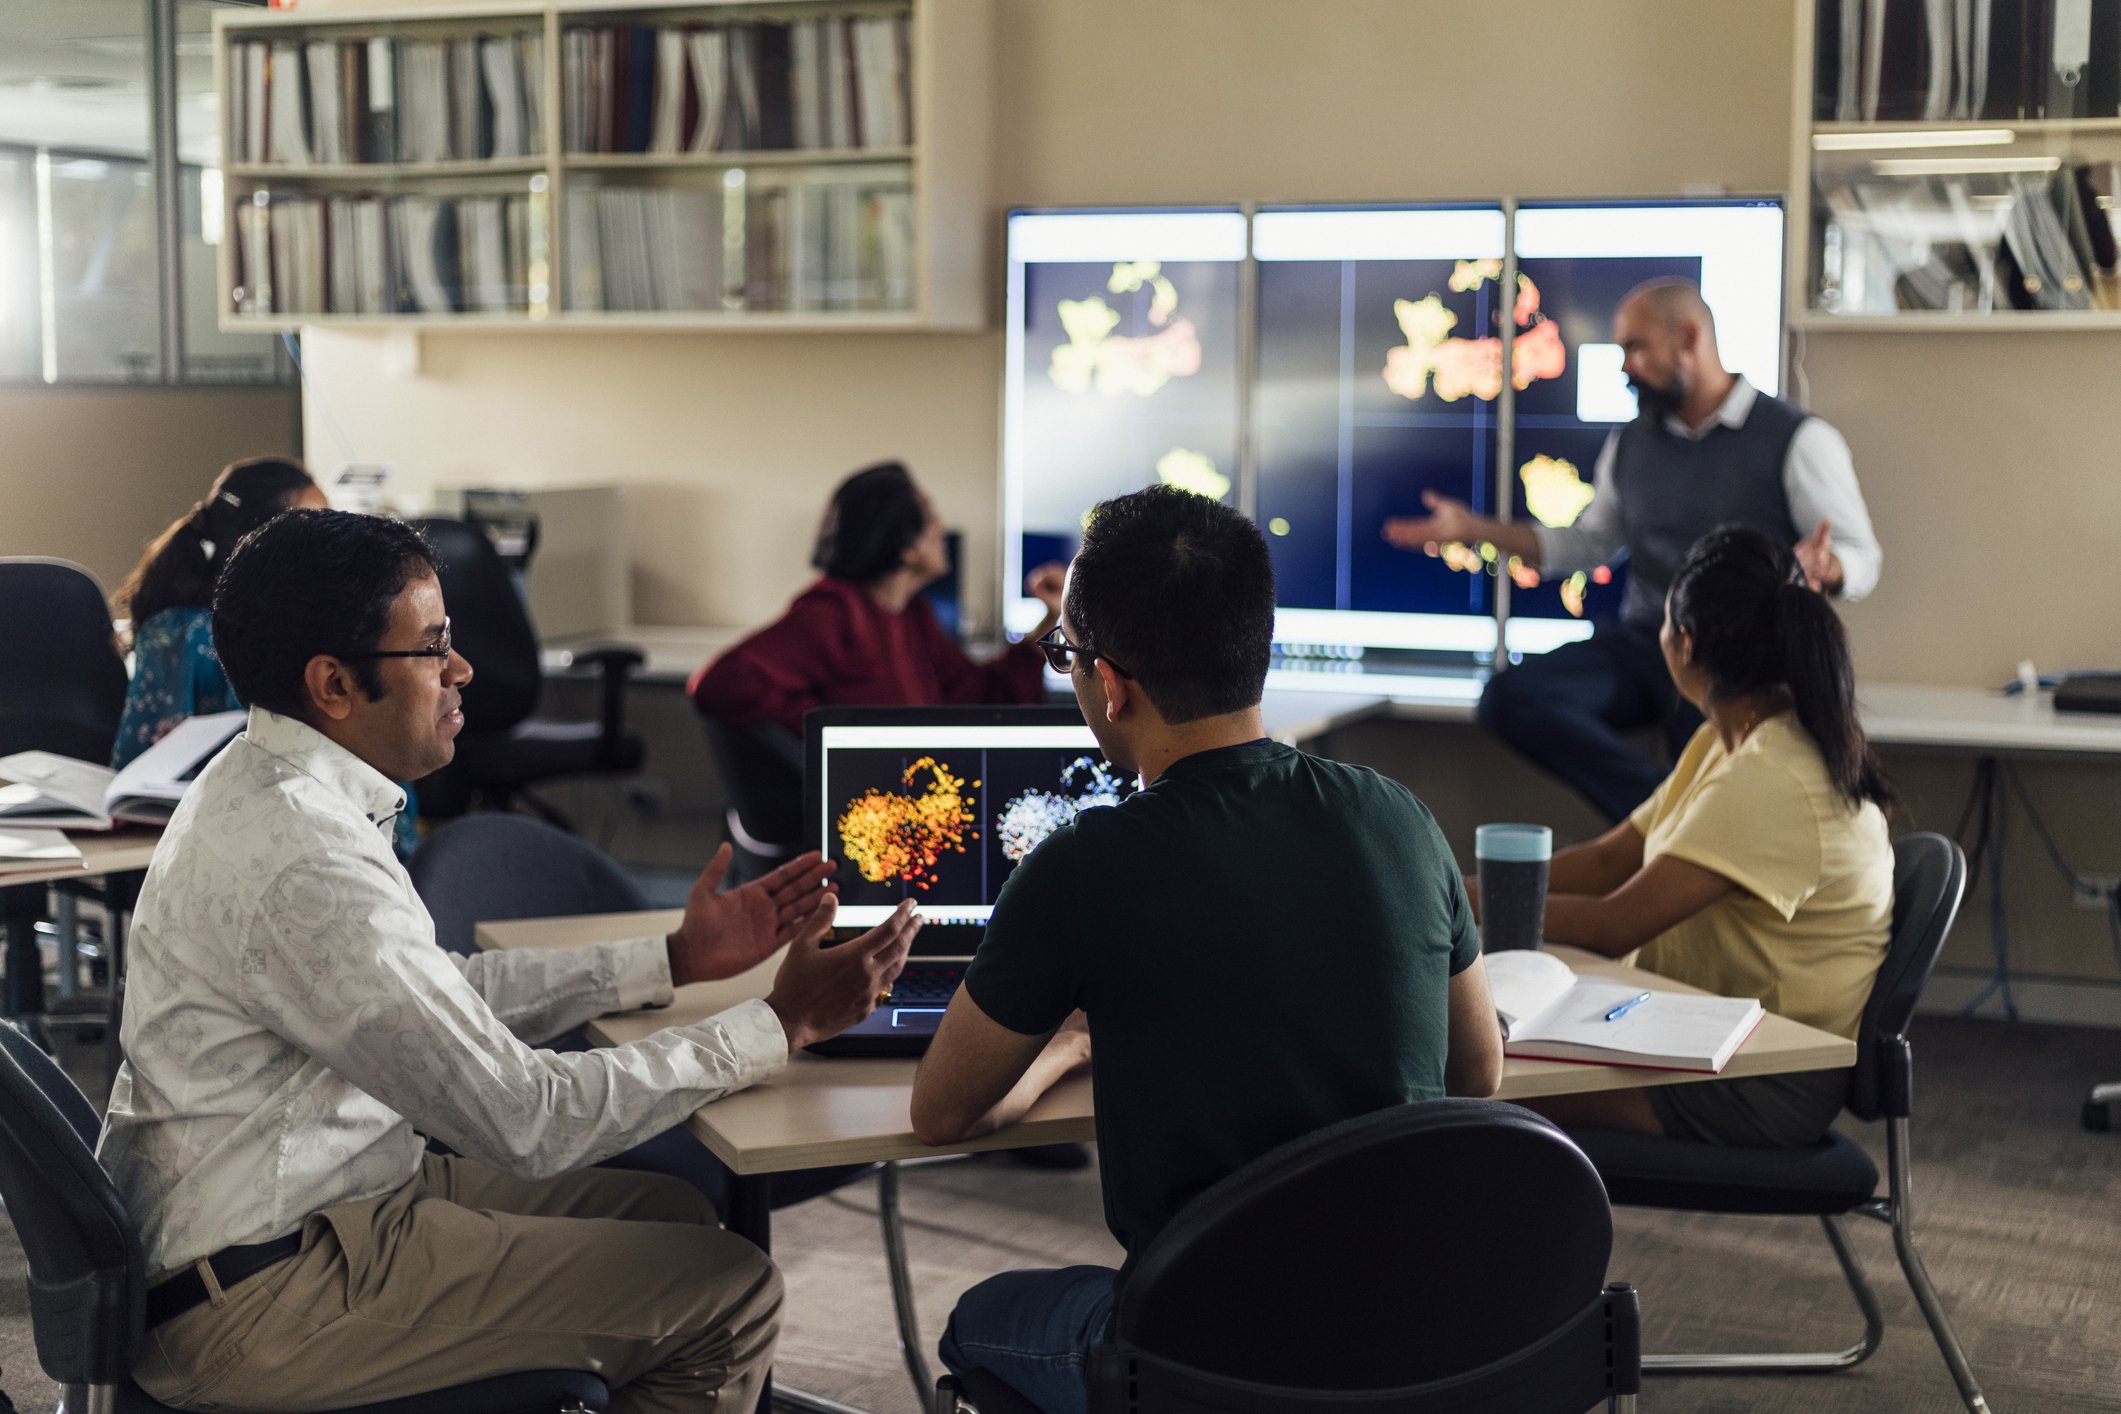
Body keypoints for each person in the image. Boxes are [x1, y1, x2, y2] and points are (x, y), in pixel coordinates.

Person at [99, 509, 923, 1414]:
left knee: (671, 1214)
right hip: (259, 1300)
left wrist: (675, 958)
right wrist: (780, 1023)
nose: (462, 672)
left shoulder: (272, 781)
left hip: (300, 1208)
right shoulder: (306, 860)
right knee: (727, 1291)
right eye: (433, 648)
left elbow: (433, 992)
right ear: (333, 684)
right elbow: (526, 1119)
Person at [909, 486, 1504, 1414]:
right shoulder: (1399, 816)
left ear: (1111, 683)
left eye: (1063, 654)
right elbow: (1477, 1071)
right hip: (1413, 1330)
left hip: (1197, 1351)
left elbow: (942, 1111)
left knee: (975, 1319)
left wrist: (1070, 1041)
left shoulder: (1083, 864)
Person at [1384, 279, 1883, 824]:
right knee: (1510, 700)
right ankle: (1662, 811)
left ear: (1689, 337)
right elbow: (1587, 542)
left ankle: (1682, 820)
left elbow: (1862, 556)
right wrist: (1473, 528)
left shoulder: (1798, 440)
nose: (1624, 366)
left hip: (1742, 665)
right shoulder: (1631, 442)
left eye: (1635, 348)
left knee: (1716, 748)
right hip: (1649, 645)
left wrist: (1830, 568)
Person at [1510, 526, 1894, 1150]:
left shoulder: (1774, 774)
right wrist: (1449, 885)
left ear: (1684, 644)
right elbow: (1610, 860)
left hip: (1759, 1075)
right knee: (1471, 1050)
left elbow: (1616, 924)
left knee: (1457, 1075)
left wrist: (1447, 905)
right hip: (1694, 1033)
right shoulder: (1731, 737)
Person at [109, 456, 423, 858]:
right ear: (260, 543)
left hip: (325, 824)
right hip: (227, 831)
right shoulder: (184, 633)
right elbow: (134, 767)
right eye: (315, 530)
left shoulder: (321, 627)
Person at [689, 461, 1068, 737]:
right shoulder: (832, 614)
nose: (940, 528)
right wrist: (832, 732)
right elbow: (717, 683)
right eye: (931, 517)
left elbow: (979, 695)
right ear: (906, 548)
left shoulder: (912, 616)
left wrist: (1048, 616)